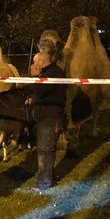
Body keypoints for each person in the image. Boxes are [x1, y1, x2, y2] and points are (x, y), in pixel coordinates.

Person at [28, 52, 66, 191]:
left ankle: (44, 184)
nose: (33, 65)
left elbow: (38, 90)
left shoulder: (53, 74)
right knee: (46, 149)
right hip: (46, 117)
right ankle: (47, 178)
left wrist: (34, 77)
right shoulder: (51, 72)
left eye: (34, 62)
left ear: (41, 62)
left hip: (50, 119)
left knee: (45, 150)